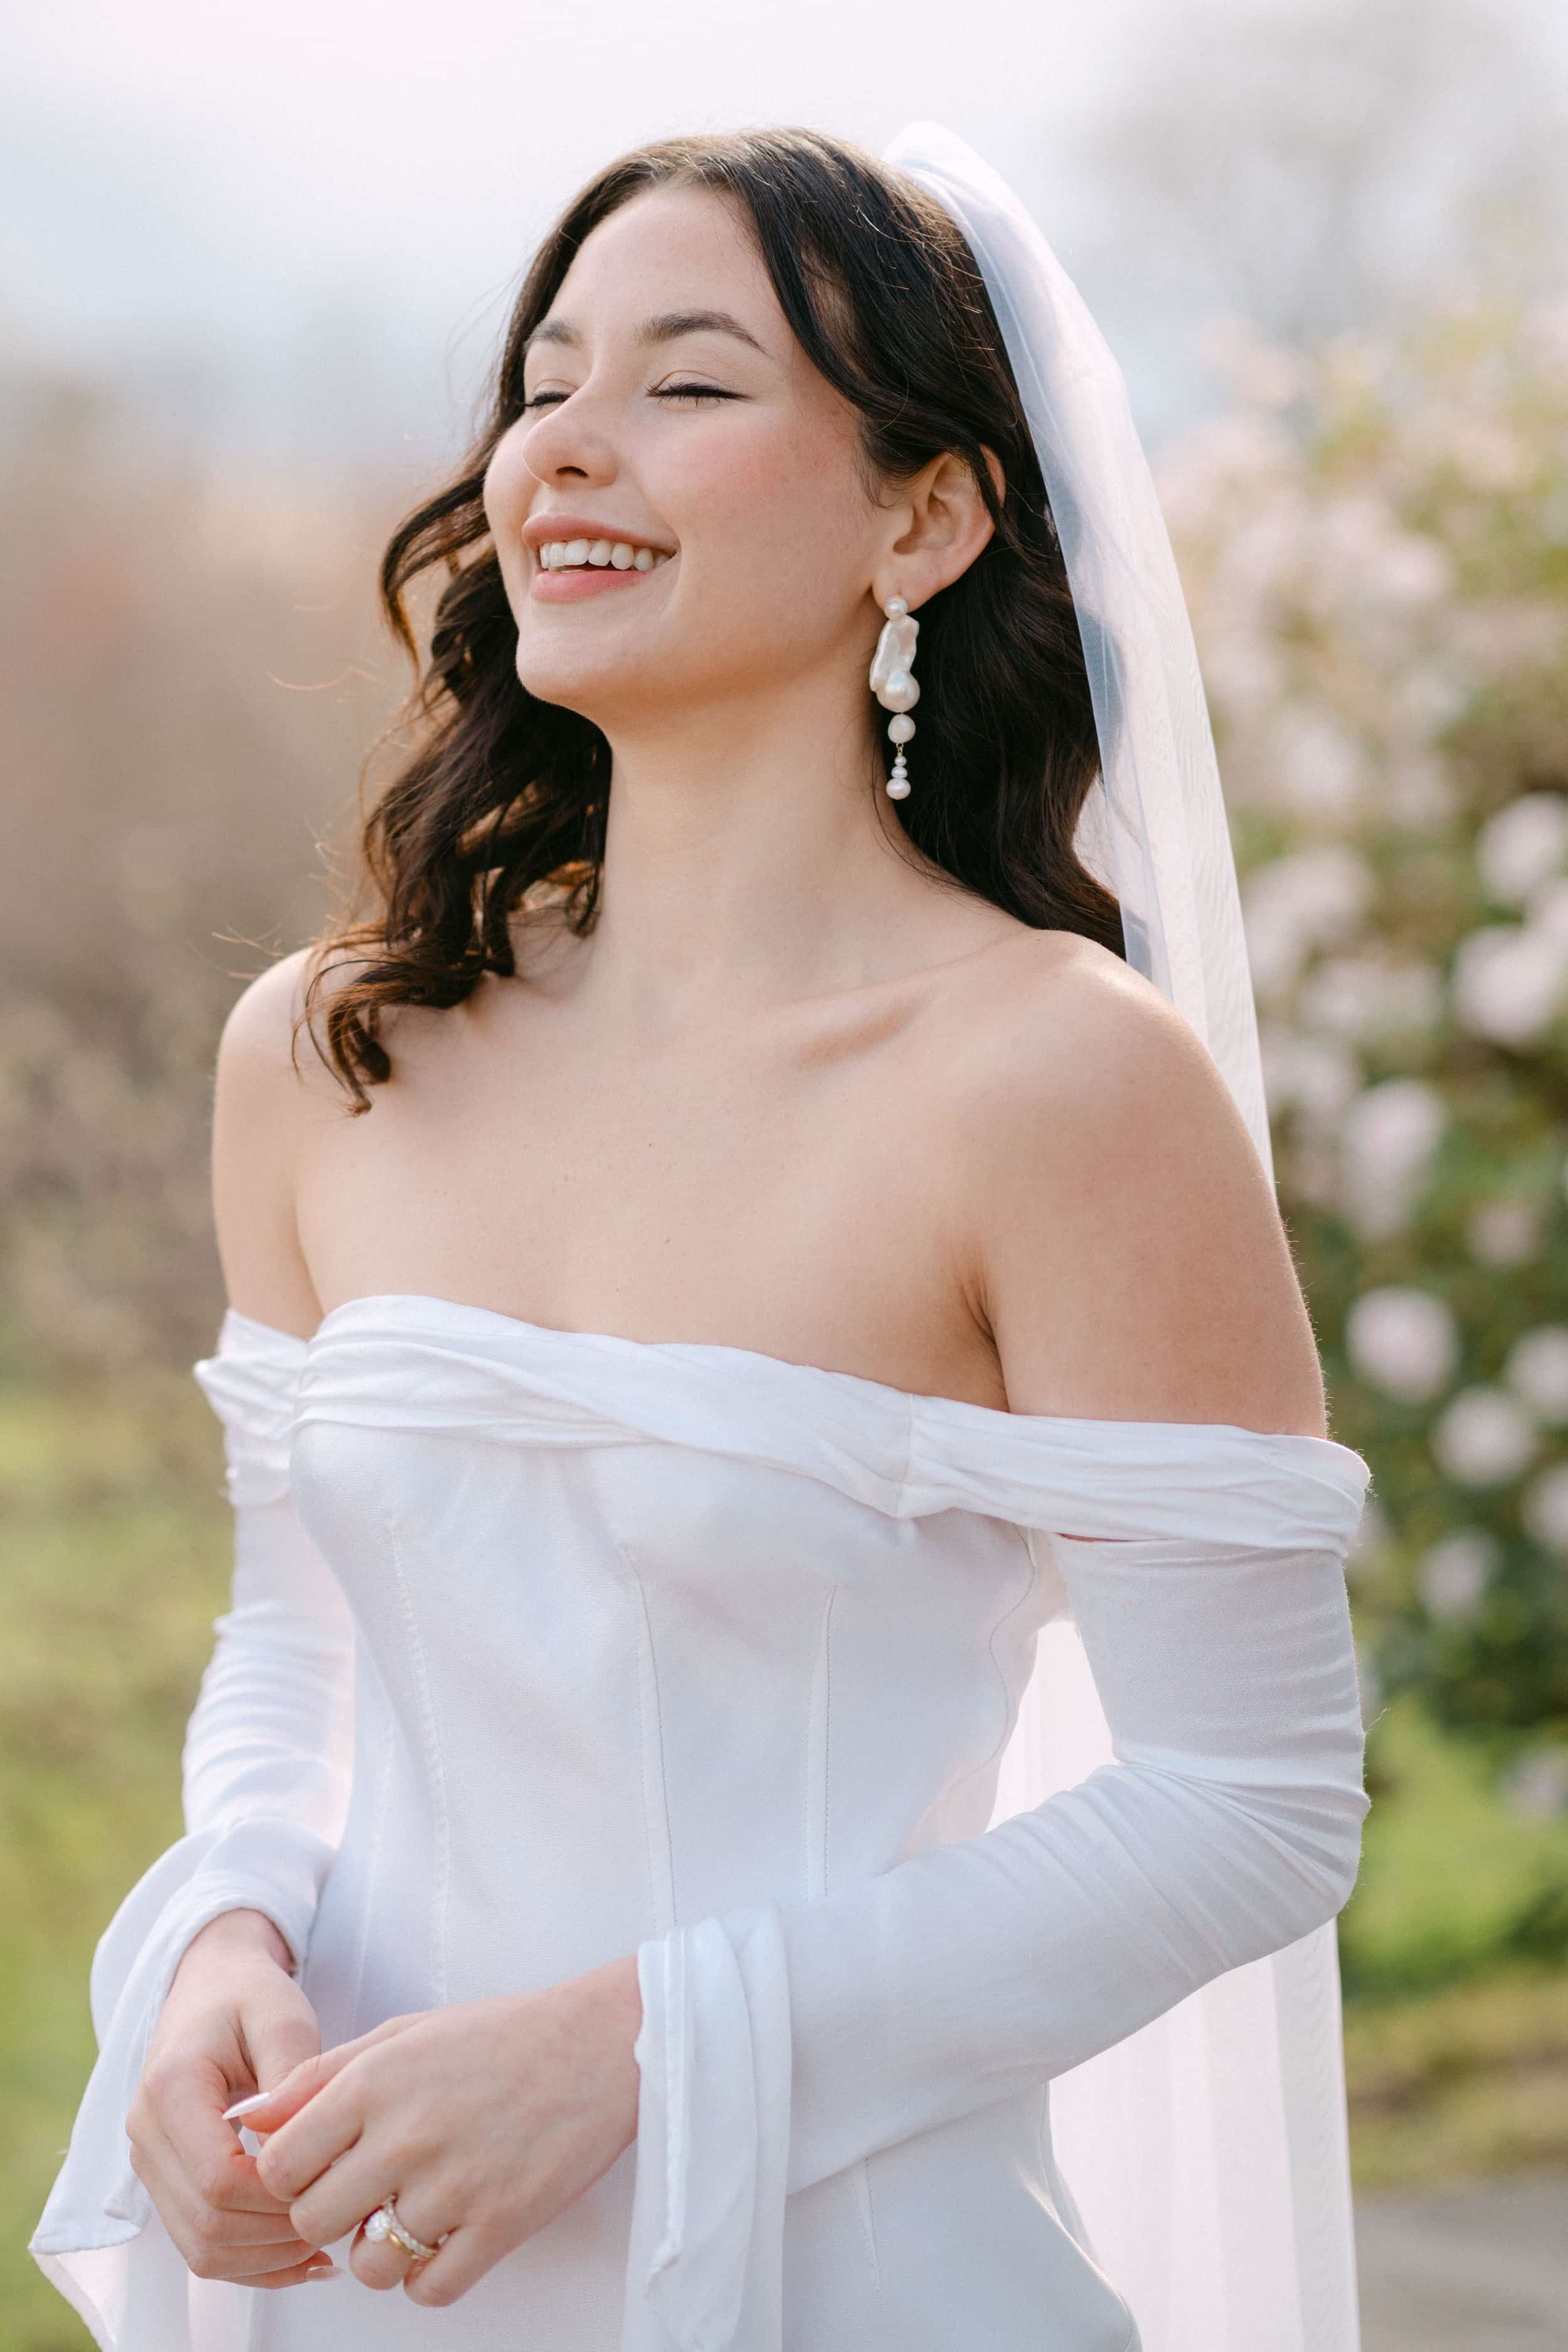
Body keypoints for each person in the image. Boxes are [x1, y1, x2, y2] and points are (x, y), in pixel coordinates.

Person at [31, 125, 1370, 2352]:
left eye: (687, 381)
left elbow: (1247, 1801)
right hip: (353, 2266)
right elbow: (300, 1642)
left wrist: (632, 2052)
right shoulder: (333, 1049)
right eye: (544, 380)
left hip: (838, 2280)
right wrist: (218, 1940)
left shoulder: (1059, 1082)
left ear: (925, 517)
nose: (565, 442)